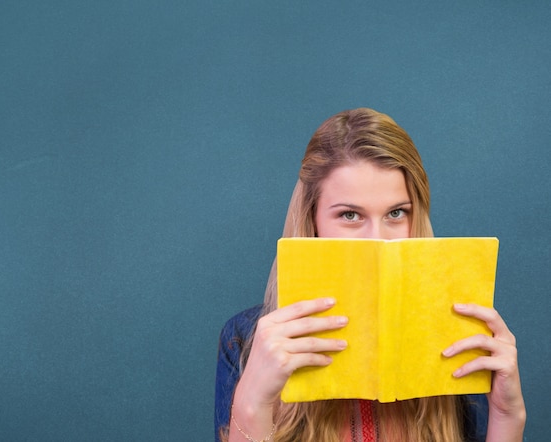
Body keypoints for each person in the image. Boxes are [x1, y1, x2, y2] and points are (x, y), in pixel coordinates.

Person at [214, 108, 526, 442]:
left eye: (396, 213)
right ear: (312, 221)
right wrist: (251, 404)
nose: (377, 238)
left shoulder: (461, 339)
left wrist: (508, 417)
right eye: (350, 215)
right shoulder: (246, 340)